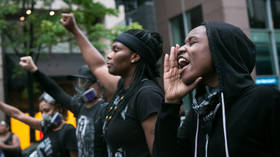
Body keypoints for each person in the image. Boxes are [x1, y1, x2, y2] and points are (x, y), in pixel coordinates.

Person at [152, 21, 280, 157]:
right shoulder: (198, 114)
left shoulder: (264, 99)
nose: (180, 49)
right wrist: (170, 102)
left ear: (220, 48)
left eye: (192, 42)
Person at [60, 13, 164, 157]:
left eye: (116, 50)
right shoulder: (124, 88)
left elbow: (159, 152)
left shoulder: (147, 95)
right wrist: (74, 30)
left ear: (134, 56)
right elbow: (97, 66)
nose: (109, 55)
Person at [19, 56, 108, 157]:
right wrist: (34, 70)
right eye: (79, 82)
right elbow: (55, 91)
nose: (80, 86)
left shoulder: (104, 109)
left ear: (99, 83)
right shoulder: (79, 107)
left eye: (84, 82)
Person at [0, 93, 78, 157]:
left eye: (46, 110)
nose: (44, 115)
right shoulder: (46, 127)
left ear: (58, 109)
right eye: (41, 112)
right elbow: (18, 115)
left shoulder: (68, 131)